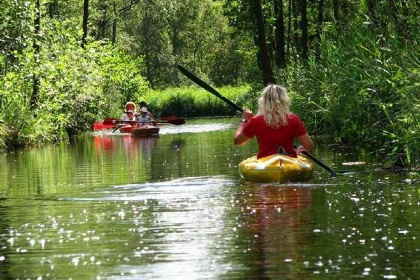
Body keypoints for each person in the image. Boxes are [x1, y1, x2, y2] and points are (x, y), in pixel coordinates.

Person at [234, 84, 314, 159]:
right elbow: (309, 147)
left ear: (263, 101)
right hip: (289, 160)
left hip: (265, 162)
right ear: (284, 100)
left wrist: (244, 120)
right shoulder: (293, 119)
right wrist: (301, 149)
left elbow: (238, 141)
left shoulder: (256, 120)